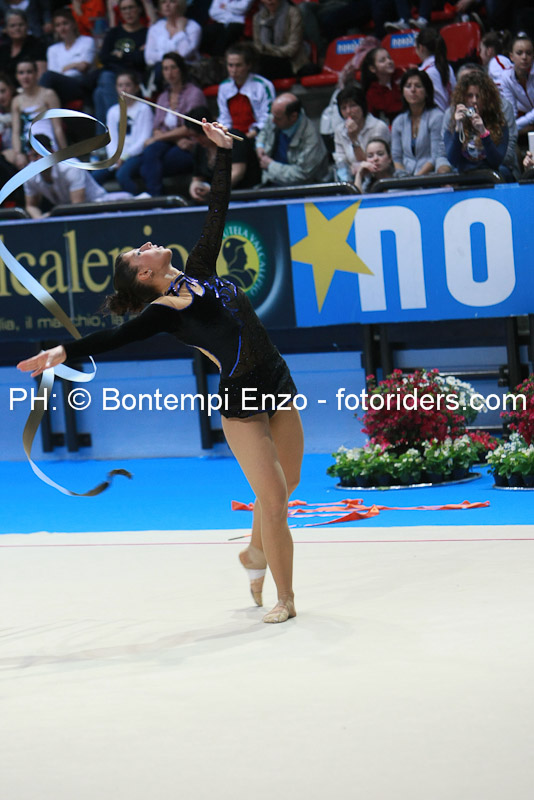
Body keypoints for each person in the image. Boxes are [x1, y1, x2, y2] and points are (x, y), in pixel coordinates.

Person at [17, 119, 302, 626]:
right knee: (275, 500)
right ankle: (285, 598)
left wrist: (221, 152)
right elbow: (114, 337)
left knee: (286, 485)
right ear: (145, 274)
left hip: (277, 379)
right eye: (138, 252)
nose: (146, 243)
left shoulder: (200, 270)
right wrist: (62, 351)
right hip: (241, 399)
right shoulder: (164, 311)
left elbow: (218, 209)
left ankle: (255, 552)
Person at [138, 51, 205, 195]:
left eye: (173, 68)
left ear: (181, 69)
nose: (169, 73)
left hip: (190, 142)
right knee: (150, 152)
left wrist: (158, 138)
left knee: (152, 165)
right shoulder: (163, 97)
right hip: (172, 142)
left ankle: (155, 197)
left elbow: (190, 127)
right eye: (165, 69)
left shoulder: (194, 93)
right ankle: (155, 198)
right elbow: (156, 128)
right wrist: (175, 140)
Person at [22, 133, 133, 217]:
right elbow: (31, 206)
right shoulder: (28, 175)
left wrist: (51, 216)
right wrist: (40, 220)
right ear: (29, 157)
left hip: (97, 207)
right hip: (66, 213)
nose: (40, 160)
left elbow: (76, 206)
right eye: (35, 155)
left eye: (43, 154)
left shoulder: (70, 167)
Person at [442, 62, 519, 179]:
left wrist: (483, 132)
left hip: (491, 176)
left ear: (487, 98)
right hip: (464, 177)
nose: (474, 100)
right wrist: (458, 129)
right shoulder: (453, 122)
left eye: (478, 96)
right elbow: (453, 160)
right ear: (462, 97)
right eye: (469, 95)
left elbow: (496, 161)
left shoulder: (499, 123)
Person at [93, 71, 154, 193]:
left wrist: (124, 157)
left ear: (136, 87)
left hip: (136, 155)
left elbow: (144, 138)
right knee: (95, 176)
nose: (124, 89)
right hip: (117, 158)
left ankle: (139, 199)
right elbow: (110, 139)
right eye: (120, 85)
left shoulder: (144, 109)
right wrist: (114, 158)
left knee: (122, 175)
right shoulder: (113, 111)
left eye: (128, 85)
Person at [186, 105, 260, 202]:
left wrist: (215, 189)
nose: (197, 140)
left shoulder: (232, 139)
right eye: (193, 137)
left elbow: (237, 173)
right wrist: (194, 188)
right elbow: (197, 178)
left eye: (199, 135)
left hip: (243, 195)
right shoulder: (199, 148)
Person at [92, 0, 148, 124]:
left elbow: (142, 59)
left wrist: (120, 54)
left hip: (135, 75)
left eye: (131, 7)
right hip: (114, 73)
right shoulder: (114, 33)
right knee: (99, 91)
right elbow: (103, 57)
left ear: (139, 9)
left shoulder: (146, 33)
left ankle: (118, 124)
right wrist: (132, 55)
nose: (128, 12)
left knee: (103, 83)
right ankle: (112, 129)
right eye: (124, 9)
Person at [256, 92, 330, 185]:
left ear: (293, 117)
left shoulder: (311, 139)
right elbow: (264, 132)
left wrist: (270, 165)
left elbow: (301, 175)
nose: (273, 120)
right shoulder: (276, 116)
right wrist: (260, 145)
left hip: (302, 188)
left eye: (278, 118)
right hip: (269, 180)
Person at [391, 67, 450, 176]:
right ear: (403, 92)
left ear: (427, 91)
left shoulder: (437, 117)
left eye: (418, 86)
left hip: (429, 176)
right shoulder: (398, 121)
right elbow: (396, 157)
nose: (413, 90)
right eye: (408, 86)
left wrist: (416, 179)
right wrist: (403, 177)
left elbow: (436, 155)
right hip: (404, 178)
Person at [11, 59, 66, 170]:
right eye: (21, 73)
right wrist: (18, 154)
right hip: (29, 148)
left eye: (29, 72)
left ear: (36, 74)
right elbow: (15, 132)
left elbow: (58, 128)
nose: (25, 76)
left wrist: (65, 153)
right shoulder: (16, 101)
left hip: (49, 143)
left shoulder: (48, 94)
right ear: (17, 76)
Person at [333, 84, 390, 183]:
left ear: (362, 106)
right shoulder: (339, 131)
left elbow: (374, 163)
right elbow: (341, 162)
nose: (348, 111)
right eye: (343, 108)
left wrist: (354, 139)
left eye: (353, 105)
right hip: (352, 178)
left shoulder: (378, 127)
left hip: (377, 178)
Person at [217, 43, 275, 140]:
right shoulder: (224, 87)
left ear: (248, 65)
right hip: (233, 136)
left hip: (257, 137)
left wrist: (249, 135)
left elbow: (268, 117)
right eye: (230, 65)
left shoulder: (263, 85)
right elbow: (224, 117)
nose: (234, 70)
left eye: (238, 65)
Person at [39, 8, 96, 106]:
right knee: (48, 80)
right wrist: (75, 65)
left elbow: (84, 67)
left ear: (73, 24)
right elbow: (54, 74)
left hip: (82, 83)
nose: (62, 28)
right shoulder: (52, 49)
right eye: (58, 25)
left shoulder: (87, 41)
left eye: (65, 23)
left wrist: (67, 67)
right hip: (61, 85)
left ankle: (37, 106)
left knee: (48, 78)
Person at [252, 0, 310, 80]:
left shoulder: (293, 13)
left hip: (292, 62)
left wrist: (269, 50)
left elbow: (292, 49)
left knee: (263, 63)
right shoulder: (257, 17)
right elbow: (258, 47)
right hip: (267, 60)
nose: (269, 1)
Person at [144, 0, 201, 73]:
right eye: (163, 2)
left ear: (180, 5)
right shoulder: (155, 28)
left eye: (172, 1)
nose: (167, 5)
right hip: (160, 71)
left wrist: (181, 30)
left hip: (186, 71)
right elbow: (148, 57)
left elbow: (184, 53)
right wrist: (172, 54)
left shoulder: (193, 27)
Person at [499, 33, 534, 136]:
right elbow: (511, 111)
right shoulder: (506, 77)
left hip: (526, 121)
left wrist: (515, 126)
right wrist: (512, 127)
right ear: (511, 56)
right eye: (519, 53)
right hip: (526, 123)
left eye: (528, 53)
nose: (524, 57)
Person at [415, 26, 456, 113]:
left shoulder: (424, 72)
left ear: (421, 48)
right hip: (450, 116)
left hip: (435, 118)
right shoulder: (448, 67)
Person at [0, 9, 47, 82]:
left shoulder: (38, 45)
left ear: (27, 26)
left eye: (21, 25)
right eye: (12, 26)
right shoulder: (3, 49)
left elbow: (41, 76)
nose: (17, 28)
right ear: (6, 29)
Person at [360, 46, 403, 124]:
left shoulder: (401, 75)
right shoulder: (372, 93)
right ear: (372, 68)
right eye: (382, 61)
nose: (389, 61)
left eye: (389, 58)